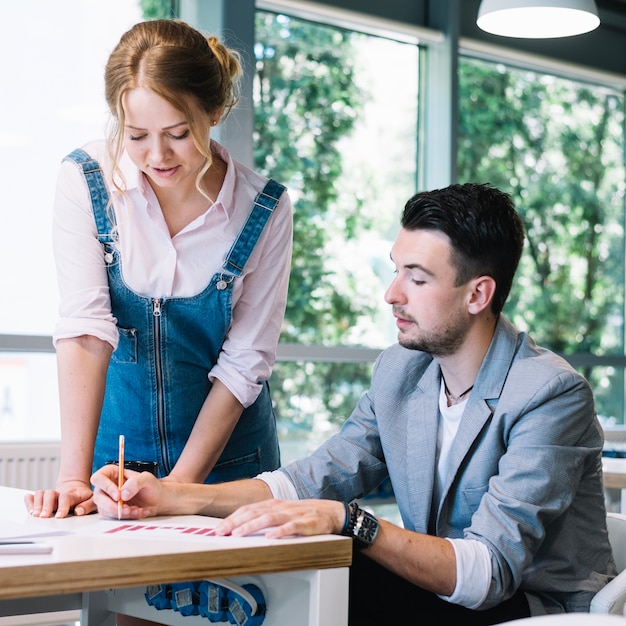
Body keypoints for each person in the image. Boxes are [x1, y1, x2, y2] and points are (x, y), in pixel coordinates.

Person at [91, 182, 615, 625]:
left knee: (333, 575)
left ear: (477, 295)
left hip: (535, 609)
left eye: (418, 277)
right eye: (396, 270)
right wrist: (174, 497)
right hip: (440, 594)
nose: (392, 293)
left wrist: (350, 522)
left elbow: (488, 573)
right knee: (287, 563)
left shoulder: (550, 394)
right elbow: (310, 480)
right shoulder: (402, 372)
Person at [26, 19, 293, 520]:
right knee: (122, 598)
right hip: (117, 465)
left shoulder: (264, 209)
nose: (157, 156)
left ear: (213, 113)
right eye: (136, 135)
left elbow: (244, 363)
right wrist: (72, 478)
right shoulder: (86, 180)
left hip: (230, 466)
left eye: (177, 133)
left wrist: (178, 490)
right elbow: (85, 329)